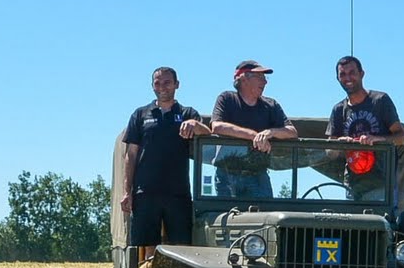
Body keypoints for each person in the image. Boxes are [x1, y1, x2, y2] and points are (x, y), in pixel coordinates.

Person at [119, 67, 209, 249]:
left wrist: (195, 125)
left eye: (167, 82)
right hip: (145, 193)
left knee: (182, 246)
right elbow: (131, 155)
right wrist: (127, 192)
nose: (162, 87)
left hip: (178, 193)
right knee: (145, 248)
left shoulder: (187, 113)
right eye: (157, 83)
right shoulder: (140, 114)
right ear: (152, 86)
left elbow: (207, 134)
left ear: (177, 84)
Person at [207, 60, 297, 198]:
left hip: (258, 176)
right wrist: (254, 136)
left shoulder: (270, 105)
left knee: (264, 217)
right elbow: (217, 126)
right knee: (228, 217)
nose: (265, 82)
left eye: (265, 78)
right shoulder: (227, 98)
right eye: (260, 77)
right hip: (227, 175)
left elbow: (292, 132)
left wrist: (270, 132)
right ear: (243, 79)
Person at [327, 56, 404, 202]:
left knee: (377, 224)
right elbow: (330, 152)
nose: (348, 78)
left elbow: (401, 137)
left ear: (362, 74)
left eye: (352, 72)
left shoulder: (380, 101)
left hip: (381, 185)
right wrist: (340, 143)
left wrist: (377, 140)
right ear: (337, 79)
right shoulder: (338, 110)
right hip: (351, 186)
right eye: (342, 74)